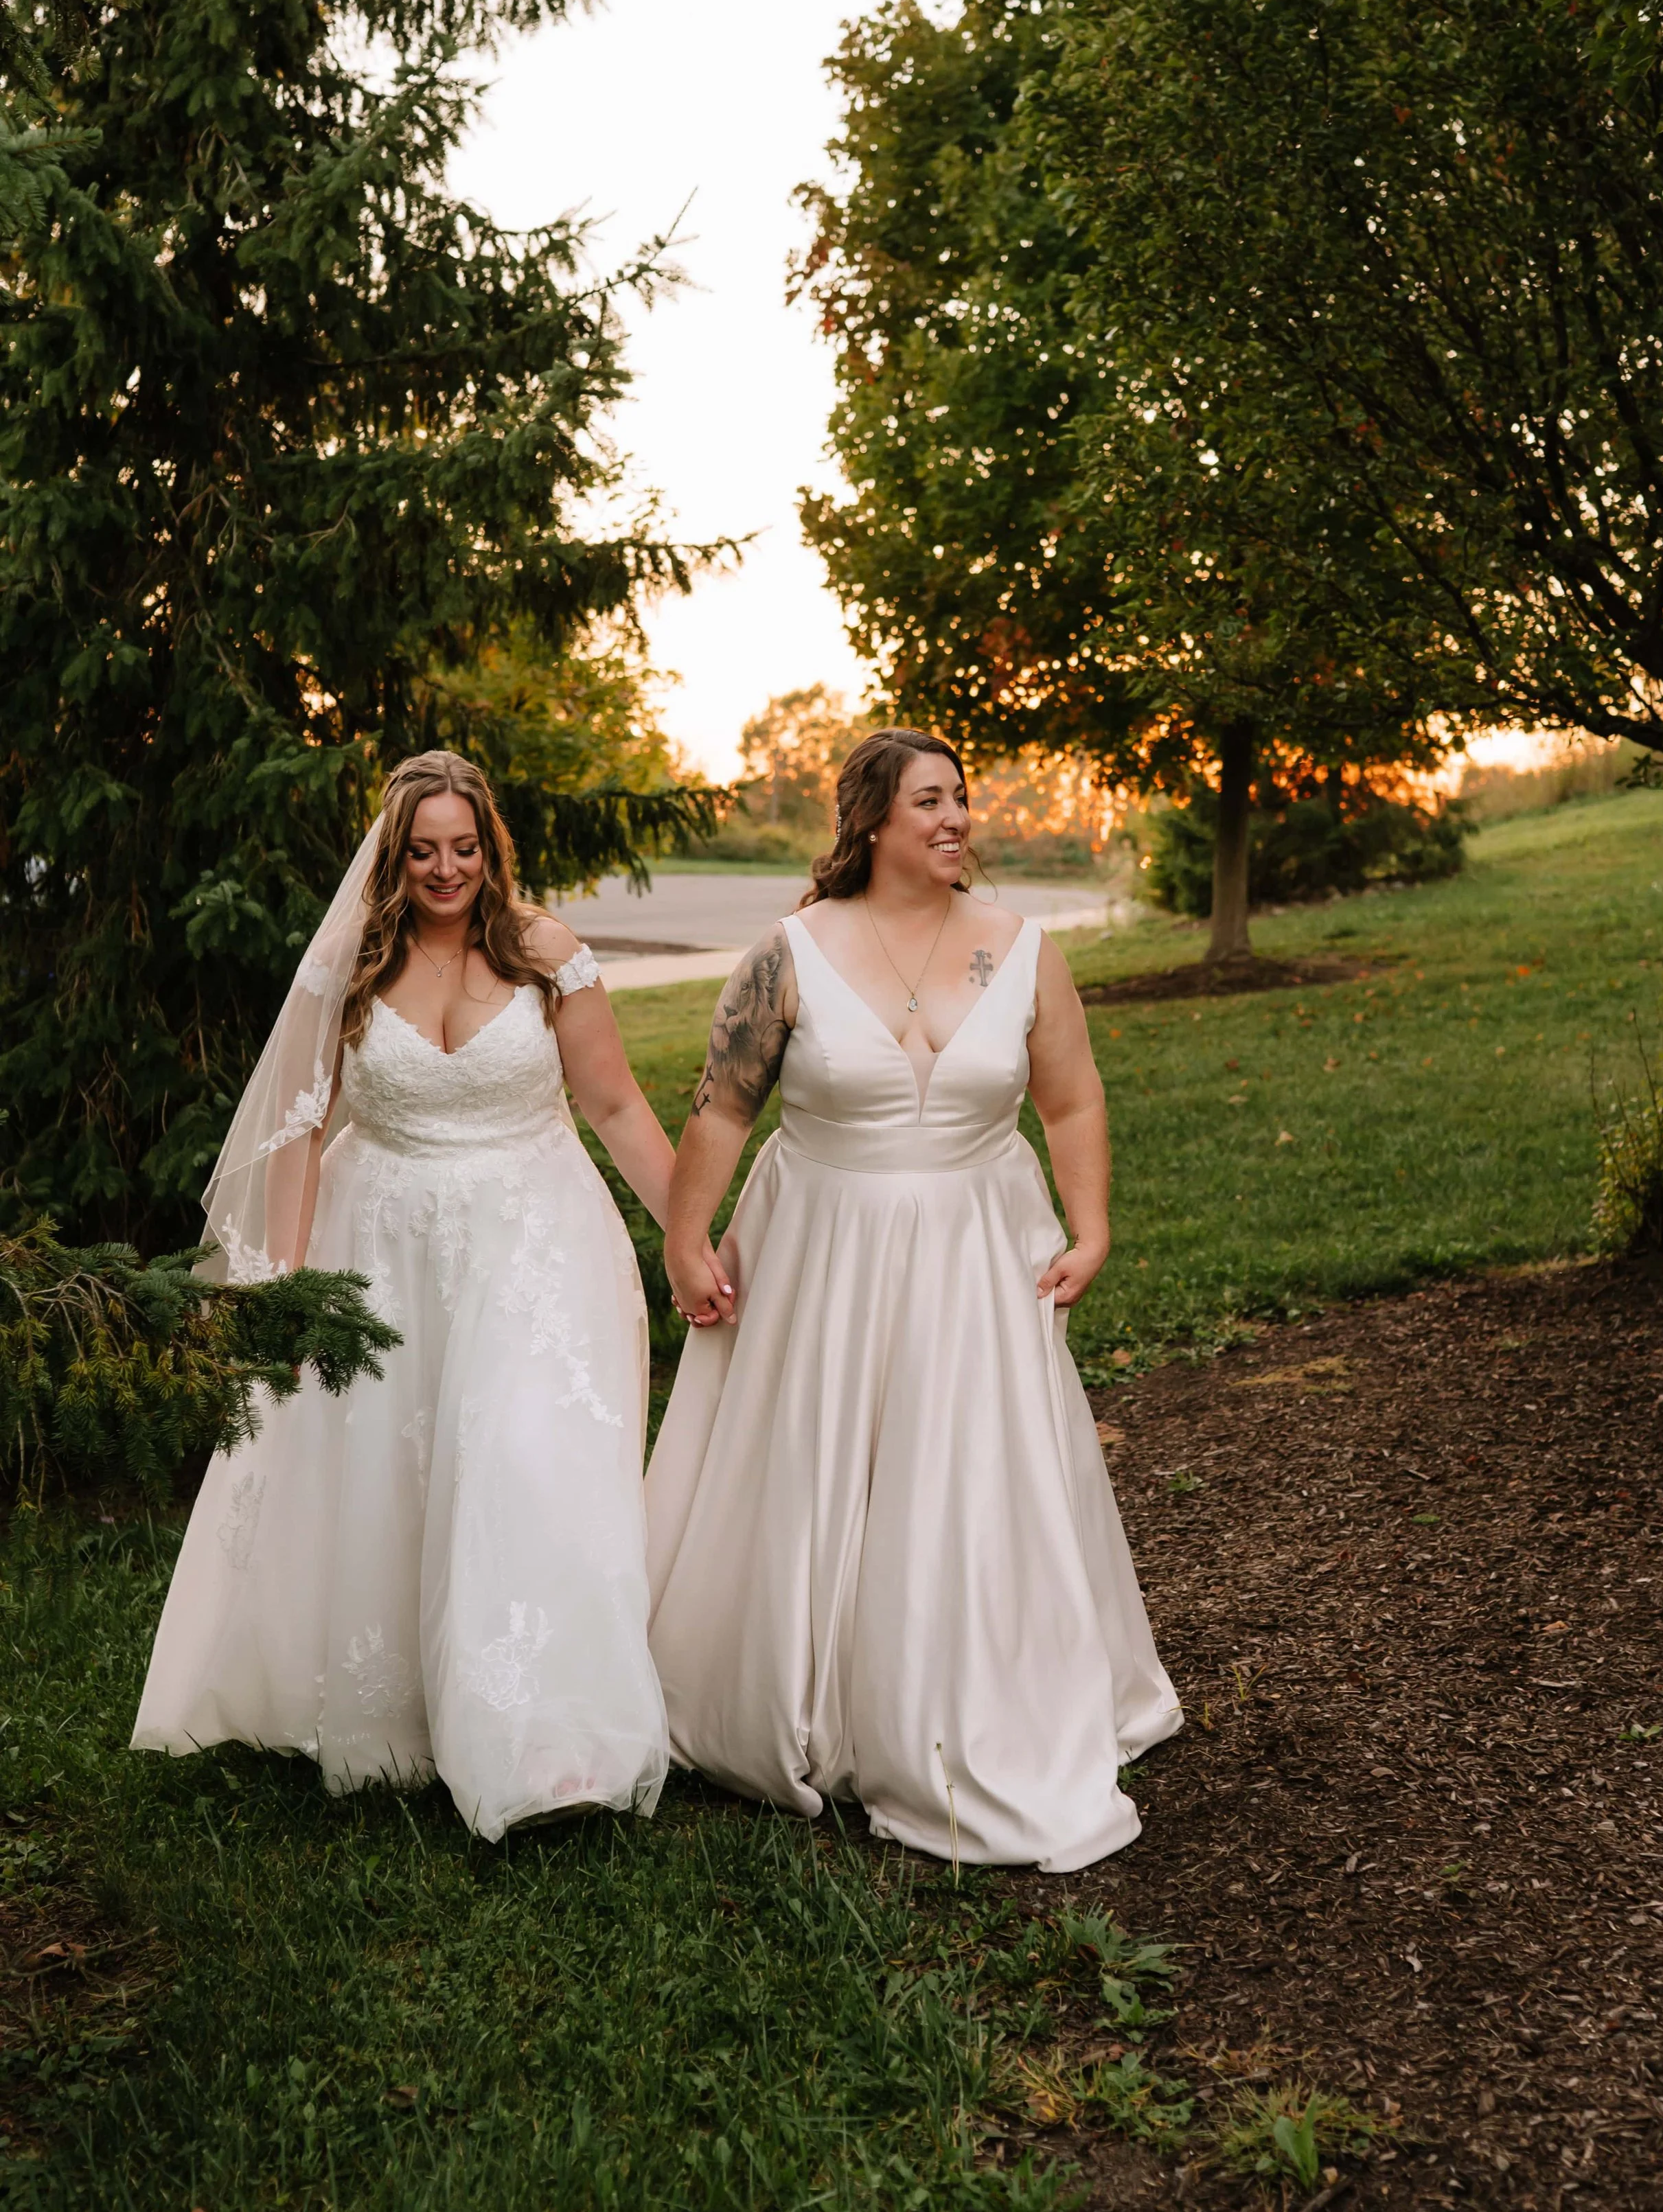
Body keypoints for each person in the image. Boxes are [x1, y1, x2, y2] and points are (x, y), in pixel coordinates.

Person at [134, 751, 724, 1837]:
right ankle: (405, 1711)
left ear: (488, 847)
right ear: (393, 855)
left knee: (522, 1464)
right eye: (423, 849)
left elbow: (616, 1105)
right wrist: (295, 1285)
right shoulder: (352, 962)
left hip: (534, 1244)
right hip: (385, 1245)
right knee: (394, 1477)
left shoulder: (546, 952)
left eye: (464, 847)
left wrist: (687, 1238)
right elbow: (301, 1133)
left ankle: (549, 1746)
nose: (445, 868)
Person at [647, 728, 1182, 1873]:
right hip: (825, 1248)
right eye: (929, 801)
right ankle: (811, 1691)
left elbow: (1073, 1100)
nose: (955, 820)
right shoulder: (789, 953)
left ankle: (972, 1689)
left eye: (961, 800)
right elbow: (722, 1108)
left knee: (967, 1473)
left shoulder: (1023, 948)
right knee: (822, 1462)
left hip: (980, 1249)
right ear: (873, 820)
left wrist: (1092, 1224)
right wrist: (688, 1236)